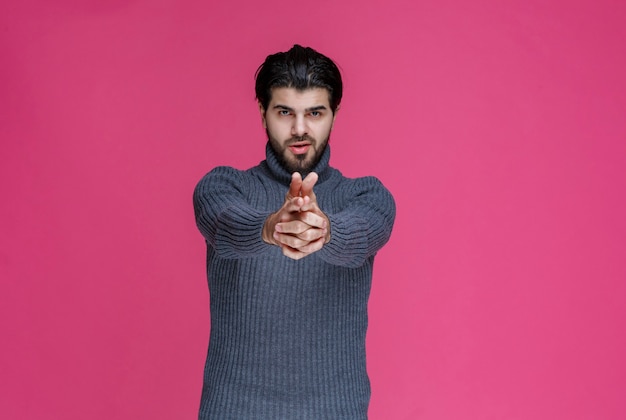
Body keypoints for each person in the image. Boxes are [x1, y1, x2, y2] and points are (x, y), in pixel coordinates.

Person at [193, 44, 396, 419]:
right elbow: (223, 222)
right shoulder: (221, 185)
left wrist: (326, 231)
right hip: (233, 409)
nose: (299, 128)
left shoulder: (366, 195)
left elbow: (364, 232)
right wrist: (269, 228)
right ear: (262, 112)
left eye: (314, 112)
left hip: (336, 411)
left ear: (334, 114)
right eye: (285, 112)